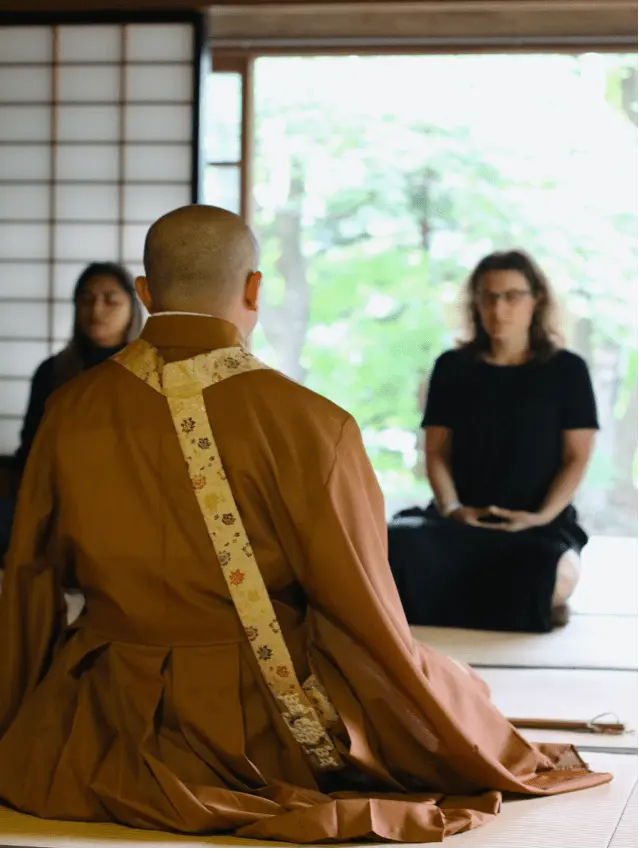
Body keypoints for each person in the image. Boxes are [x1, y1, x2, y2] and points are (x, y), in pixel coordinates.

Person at [0, 210, 609, 844]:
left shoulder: (68, 409)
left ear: (145, 293)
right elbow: (363, 613)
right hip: (258, 725)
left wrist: (17, 717)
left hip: (100, 716)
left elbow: (28, 578)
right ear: (254, 290)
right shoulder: (313, 422)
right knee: (457, 690)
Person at [388, 250, 598, 633]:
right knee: (393, 545)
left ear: (537, 300)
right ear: (476, 303)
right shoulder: (452, 367)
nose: (499, 308)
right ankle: (505, 606)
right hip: (458, 522)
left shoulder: (568, 371)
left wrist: (539, 517)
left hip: (536, 525)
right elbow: (435, 452)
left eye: (512, 295)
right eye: (488, 296)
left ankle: (469, 601)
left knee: (557, 577)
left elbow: (576, 458)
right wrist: (452, 509)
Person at [0, 262, 143, 560]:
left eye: (111, 300)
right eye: (87, 299)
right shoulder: (52, 371)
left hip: (126, 498)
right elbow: (31, 446)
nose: (97, 309)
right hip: (57, 495)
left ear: (133, 307)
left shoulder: (149, 372)